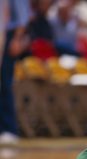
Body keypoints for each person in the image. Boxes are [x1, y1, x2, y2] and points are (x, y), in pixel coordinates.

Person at [0, 0, 31, 144]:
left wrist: (17, 39)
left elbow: (23, 17)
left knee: (5, 82)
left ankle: (9, 129)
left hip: (9, 35)